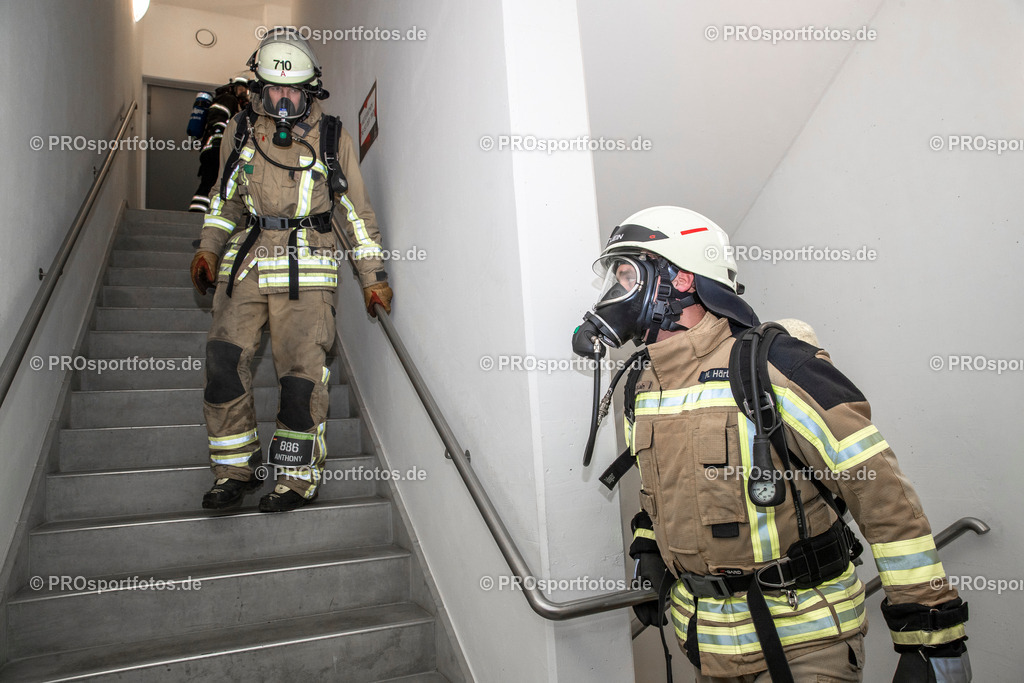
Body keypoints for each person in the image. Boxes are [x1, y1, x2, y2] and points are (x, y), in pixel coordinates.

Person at [571, 206, 969, 682]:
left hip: (806, 639)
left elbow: (883, 498)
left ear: (679, 280)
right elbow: (660, 491)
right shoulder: (644, 385)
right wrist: (650, 550)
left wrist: (930, 634)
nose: (615, 293)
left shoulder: (776, 366)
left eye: (626, 274)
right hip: (707, 644)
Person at [190, 31, 393, 513]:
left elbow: (356, 216)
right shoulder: (238, 131)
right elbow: (223, 203)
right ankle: (234, 469)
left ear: (311, 90)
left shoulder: (332, 138)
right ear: (260, 88)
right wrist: (209, 250)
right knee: (222, 361)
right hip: (249, 260)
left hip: (309, 268)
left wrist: (373, 277)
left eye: (294, 91)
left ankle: (296, 479)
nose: (283, 100)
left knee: (301, 380)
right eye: (275, 90)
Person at [188, 76, 250, 213]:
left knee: (214, 182)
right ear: (233, 88)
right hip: (215, 148)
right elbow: (218, 119)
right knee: (210, 182)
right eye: (241, 89)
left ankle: (202, 211)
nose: (243, 93)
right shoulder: (228, 99)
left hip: (218, 149)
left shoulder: (237, 106)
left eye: (245, 91)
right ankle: (196, 214)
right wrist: (218, 139)